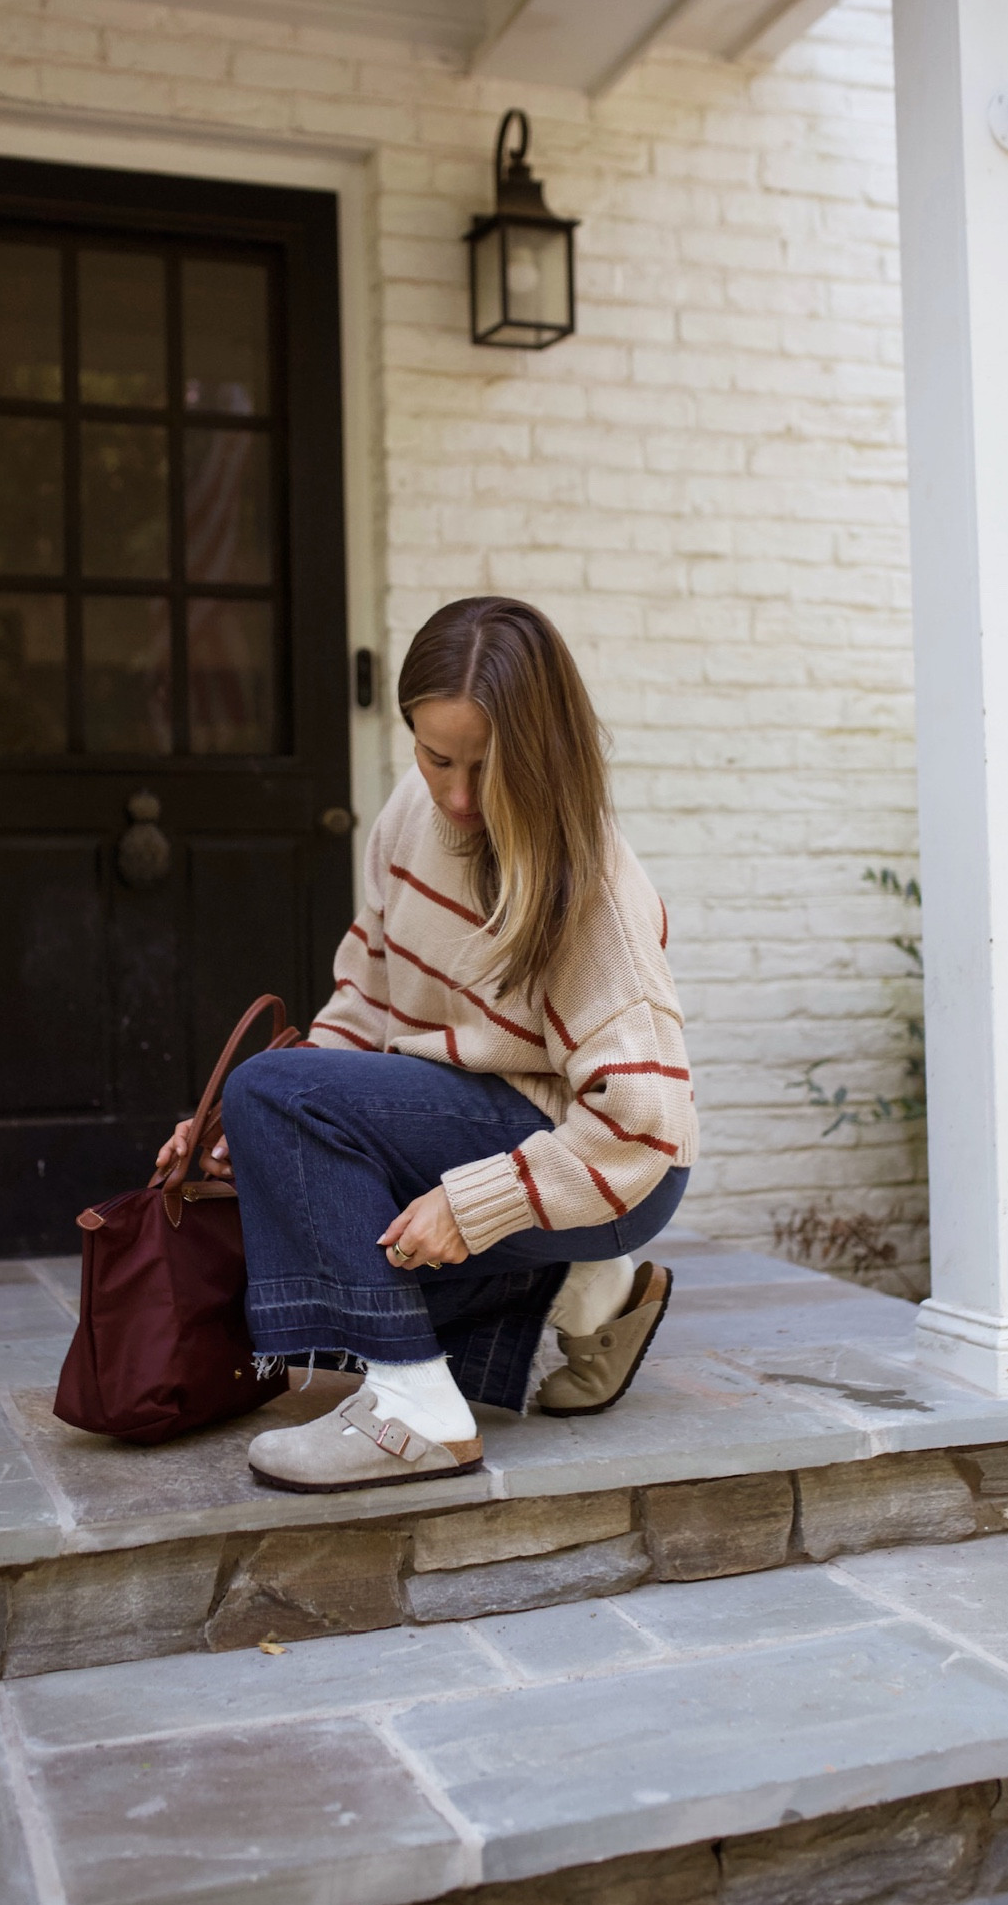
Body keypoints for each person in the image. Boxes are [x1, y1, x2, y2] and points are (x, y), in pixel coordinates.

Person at [156, 596, 697, 1493]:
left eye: (488, 766)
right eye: (435, 756)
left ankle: (415, 1411)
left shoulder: (590, 891)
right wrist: (258, 1134)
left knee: (284, 1124)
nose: (456, 795)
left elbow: (645, 1124)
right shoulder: (414, 814)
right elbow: (369, 997)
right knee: (290, 1199)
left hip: (616, 1168)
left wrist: (479, 1201)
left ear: (541, 751)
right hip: (505, 1135)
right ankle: (583, 1291)